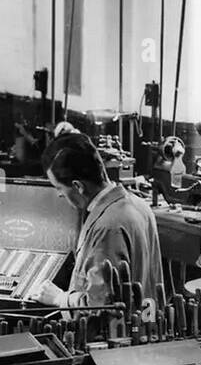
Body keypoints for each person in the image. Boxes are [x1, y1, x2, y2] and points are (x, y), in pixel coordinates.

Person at [33, 130, 164, 309]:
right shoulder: (140, 205)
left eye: (59, 188)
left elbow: (100, 306)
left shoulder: (108, 227)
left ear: (78, 186)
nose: (60, 195)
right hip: (143, 323)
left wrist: (59, 298)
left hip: (116, 332)